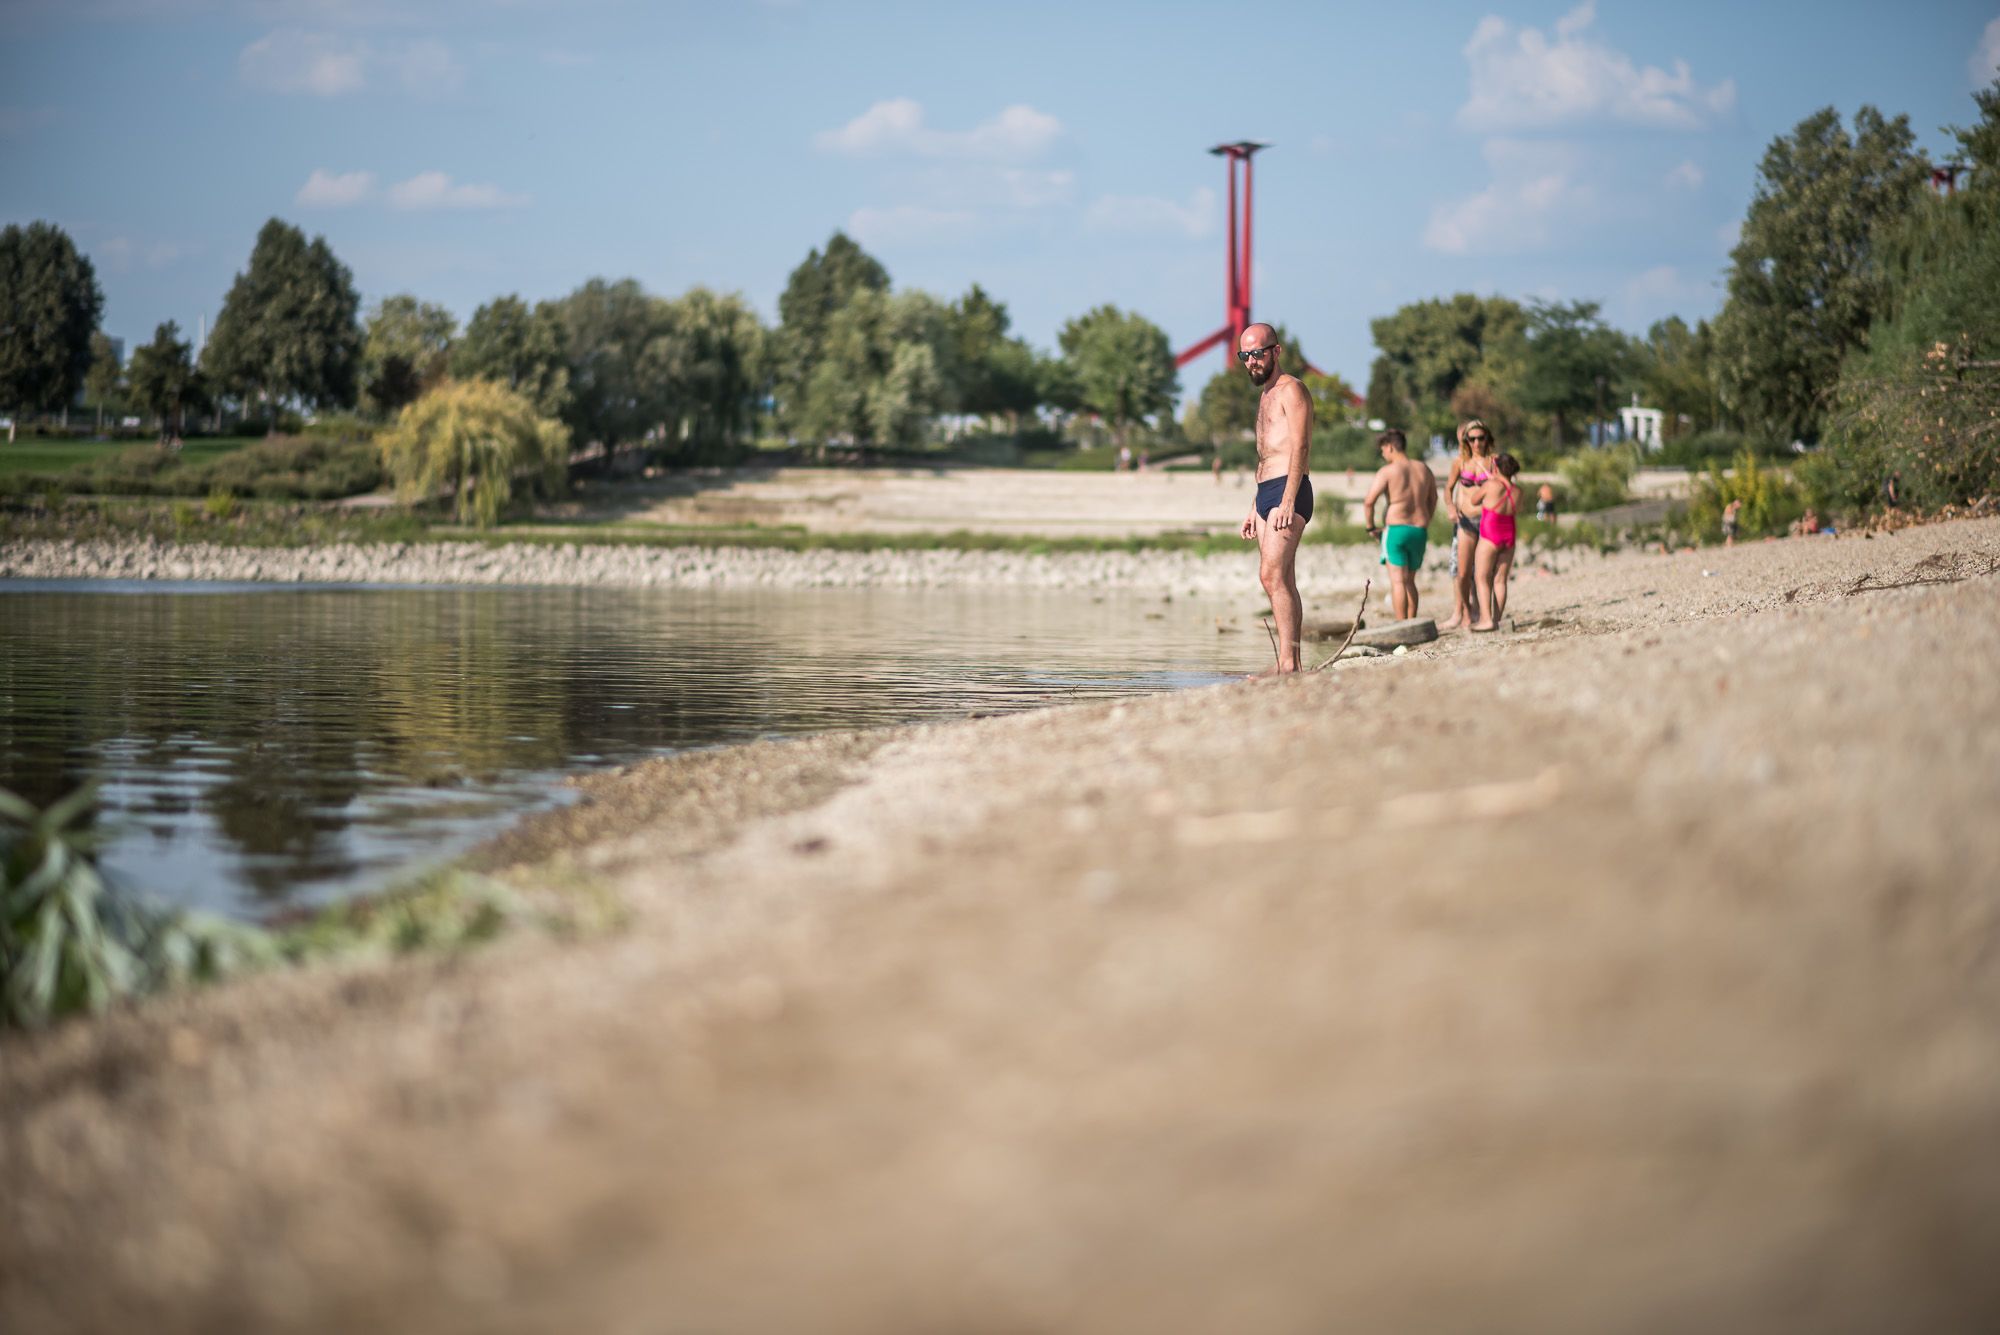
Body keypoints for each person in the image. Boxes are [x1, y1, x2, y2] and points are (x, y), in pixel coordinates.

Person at [1234, 322, 1314, 674]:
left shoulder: (1291, 390)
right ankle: (1290, 662)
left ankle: (1287, 663)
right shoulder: (1265, 395)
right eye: (1245, 355)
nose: (1252, 361)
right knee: (1281, 579)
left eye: (1257, 353)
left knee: (1271, 575)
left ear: (1276, 351)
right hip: (1266, 493)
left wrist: (1286, 500)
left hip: (1289, 491)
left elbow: (1300, 446)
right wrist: (1255, 507)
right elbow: (1265, 456)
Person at [1362, 428, 1438, 620]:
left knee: (1398, 582)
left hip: (1396, 528)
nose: (1382, 453)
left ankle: (1401, 624)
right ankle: (1412, 623)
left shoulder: (1388, 471)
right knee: (1410, 582)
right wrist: (1427, 518)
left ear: (1390, 446)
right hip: (1419, 529)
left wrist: (1371, 527)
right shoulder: (1423, 468)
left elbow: (1369, 501)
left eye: (1383, 449)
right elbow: (1433, 498)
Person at [1438, 419, 1497, 632]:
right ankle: (1464, 611)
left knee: (1485, 572)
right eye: (1472, 439)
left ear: (1487, 439)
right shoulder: (1460, 463)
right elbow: (1448, 488)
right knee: (1462, 573)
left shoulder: (1494, 462)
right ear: (1466, 441)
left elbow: (1506, 488)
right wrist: (1450, 507)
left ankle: (1487, 615)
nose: (1477, 443)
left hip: (1488, 521)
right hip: (1465, 521)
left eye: (1481, 438)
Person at [1469, 453, 1521, 633]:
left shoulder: (1491, 485)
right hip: (1509, 534)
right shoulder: (1517, 491)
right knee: (1500, 580)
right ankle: (1497, 620)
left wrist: (1489, 482)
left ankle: (1486, 619)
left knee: (1482, 577)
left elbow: (1474, 500)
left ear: (1496, 468)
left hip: (1490, 534)